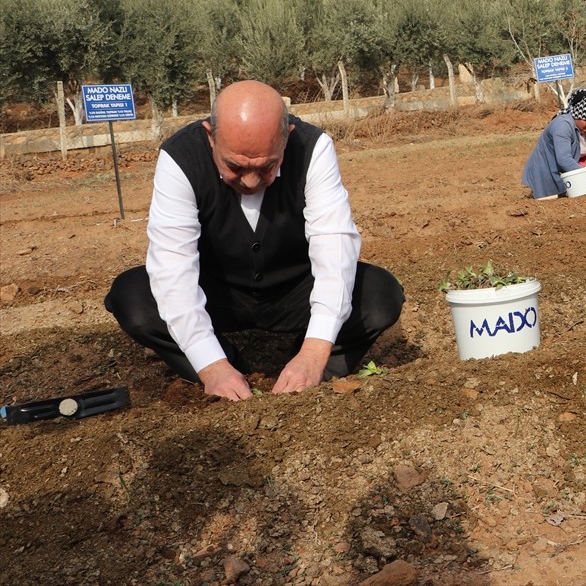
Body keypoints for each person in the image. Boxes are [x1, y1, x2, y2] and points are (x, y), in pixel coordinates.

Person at [105, 80, 404, 401]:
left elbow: (335, 247)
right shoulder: (180, 158)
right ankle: (232, 369)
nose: (250, 181)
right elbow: (173, 268)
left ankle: (305, 371)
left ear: (286, 138)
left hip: (295, 290)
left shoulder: (313, 148)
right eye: (235, 166)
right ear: (210, 136)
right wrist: (212, 367)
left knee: (378, 295)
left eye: (267, 166)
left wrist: (314, 352)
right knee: (134, 298)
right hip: (216, 291)